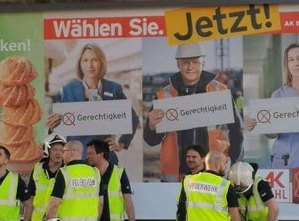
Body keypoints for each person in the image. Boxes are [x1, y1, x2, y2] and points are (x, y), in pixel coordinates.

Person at [144, 42, 243, 181]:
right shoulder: (164, 96)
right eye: (185, 62)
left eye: (195, 62)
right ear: (178, 64)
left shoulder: (219, 92)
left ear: (203, 62)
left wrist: (231, 159)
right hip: (175, 178)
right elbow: (151, 140)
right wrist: (151, 127)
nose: (190, 67)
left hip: (213, 173)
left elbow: (238, 130)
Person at [48, 42, 140, 161]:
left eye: (94, 60)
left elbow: (133, 119)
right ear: (80, 64)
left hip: (104, 158)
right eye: (85, 60)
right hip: (77, 158)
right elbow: (62, 126)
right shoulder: (68, 90)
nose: (90, 65)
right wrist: (52, 127)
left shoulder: (113, 89)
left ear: (101, 62)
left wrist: (121, 143)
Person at [255, 42, 299, 169]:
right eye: (291, 60)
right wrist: (263, 125)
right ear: (287, 65)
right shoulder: (278, 95)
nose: (296, 63)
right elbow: (272, 134)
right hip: (285, 158)